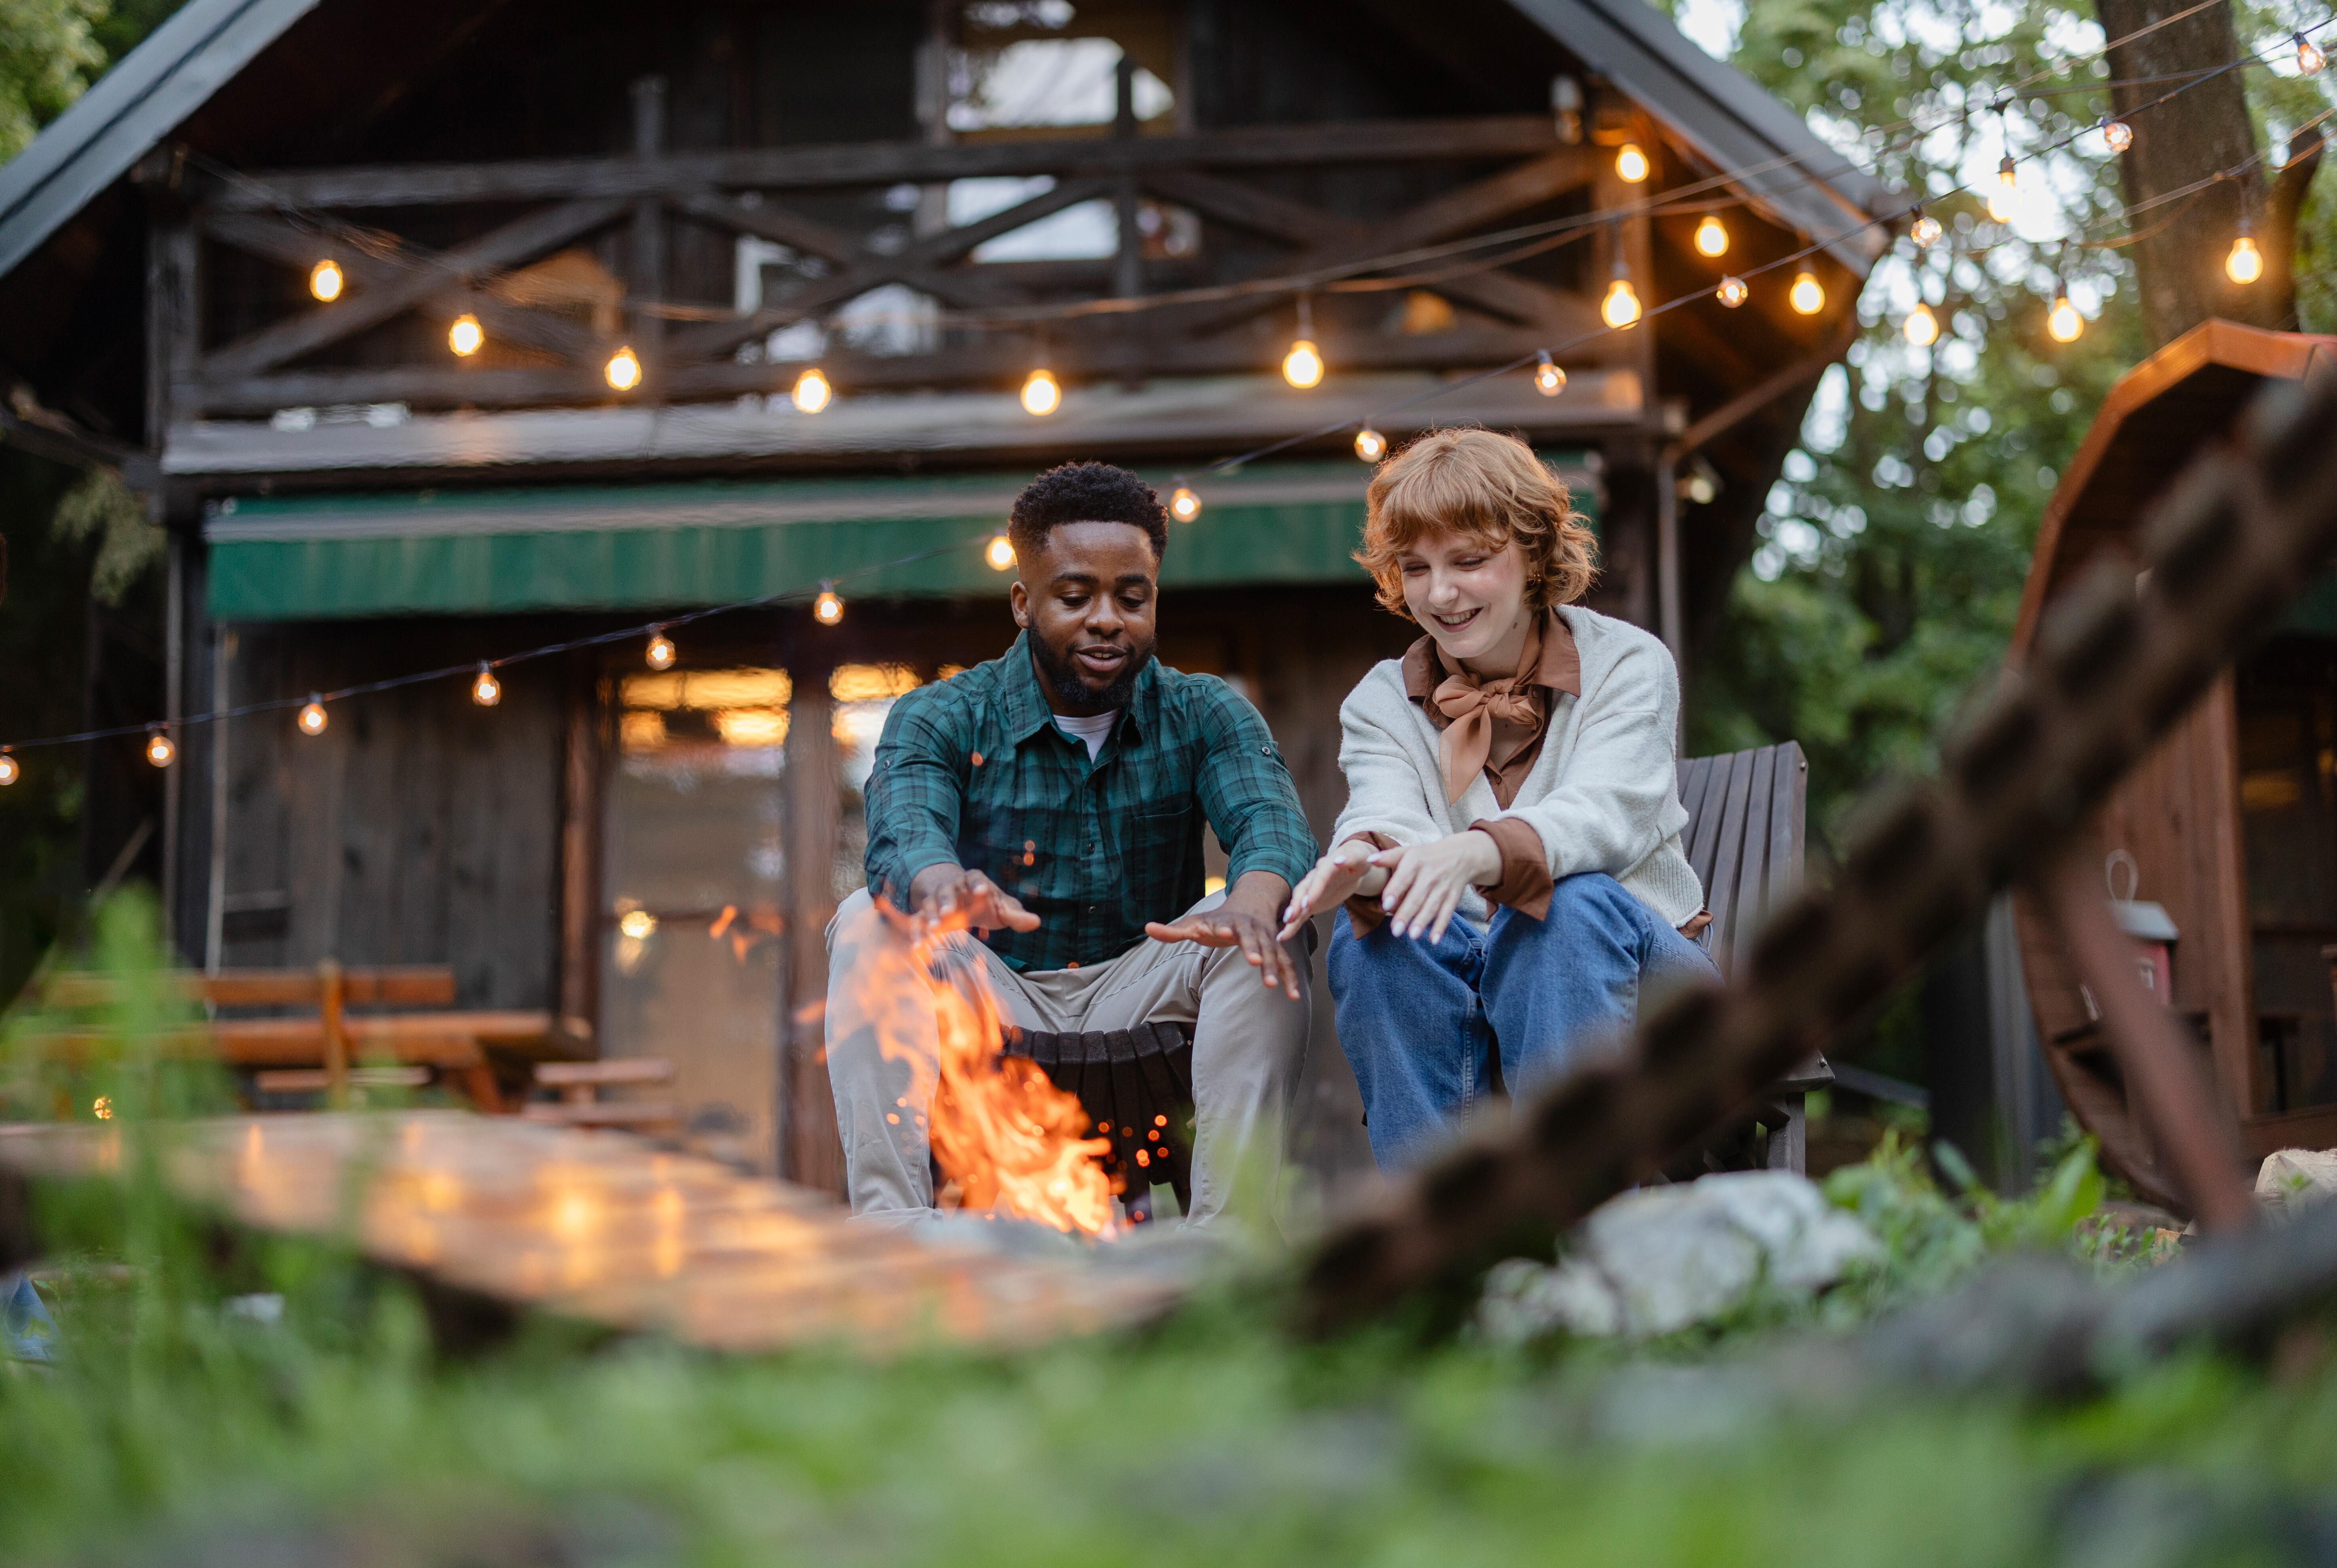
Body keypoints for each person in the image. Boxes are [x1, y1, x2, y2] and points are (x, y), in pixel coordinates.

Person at [826, 461, 1317, 1224]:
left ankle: (1230, 1240)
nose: (1107, 619)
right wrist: (941, 885)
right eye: (1075, 595)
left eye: (1132, 597)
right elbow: (904, 828)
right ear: (1024, 602)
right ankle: (893, 1231)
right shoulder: (943, 715)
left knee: (1266, 931)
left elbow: (1270, 823)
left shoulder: (1203, 712)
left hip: (1140, 977)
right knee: (866, 919)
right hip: (995, 983)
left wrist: (1252, 899)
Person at [1278, 428, 1717, 1170]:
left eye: (1469, 561)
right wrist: (1363, 864)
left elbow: (1603, 818)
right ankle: (1439, 1243)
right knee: (1375, 937)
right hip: (1474, 979)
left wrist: (1475, 853)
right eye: (1415, 568)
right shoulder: (1381, 700)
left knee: (1567, 906)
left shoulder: (1628, 664)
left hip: (1650, 987)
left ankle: (1585, 1232)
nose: (1439, 594)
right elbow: (1386, 814)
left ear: (1534, 554)